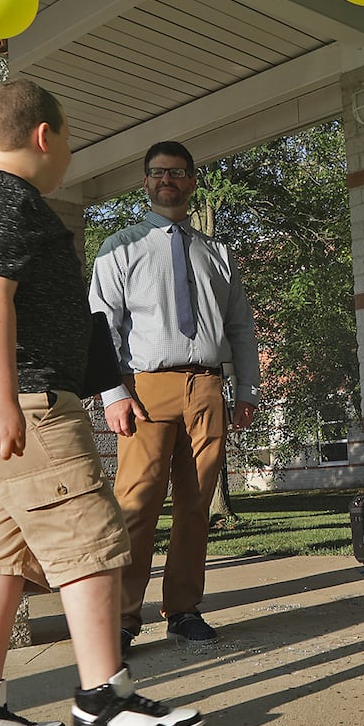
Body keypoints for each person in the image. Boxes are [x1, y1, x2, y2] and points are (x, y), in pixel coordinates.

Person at [0, 80, 203, 726]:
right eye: (69, 139)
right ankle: (102, 705)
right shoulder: (3, 199)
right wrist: (2, 397)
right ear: (45, 136)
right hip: (18, 402)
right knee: (92, 540)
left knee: (1, 554)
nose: (68, 153)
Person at [89, 141, 261, 654]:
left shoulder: (217, 254)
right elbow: (101, 327)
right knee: (137, 504)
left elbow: (241, 326)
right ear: (145, 182)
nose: (168, 179)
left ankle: (183, 610)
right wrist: (113, 394)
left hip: (207, 388)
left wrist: (246, 387)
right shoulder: (120, 248)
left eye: (178, 172)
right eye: (158, 172)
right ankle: (121, 617)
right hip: (146, 390)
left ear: (191, 181)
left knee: (195, 505)